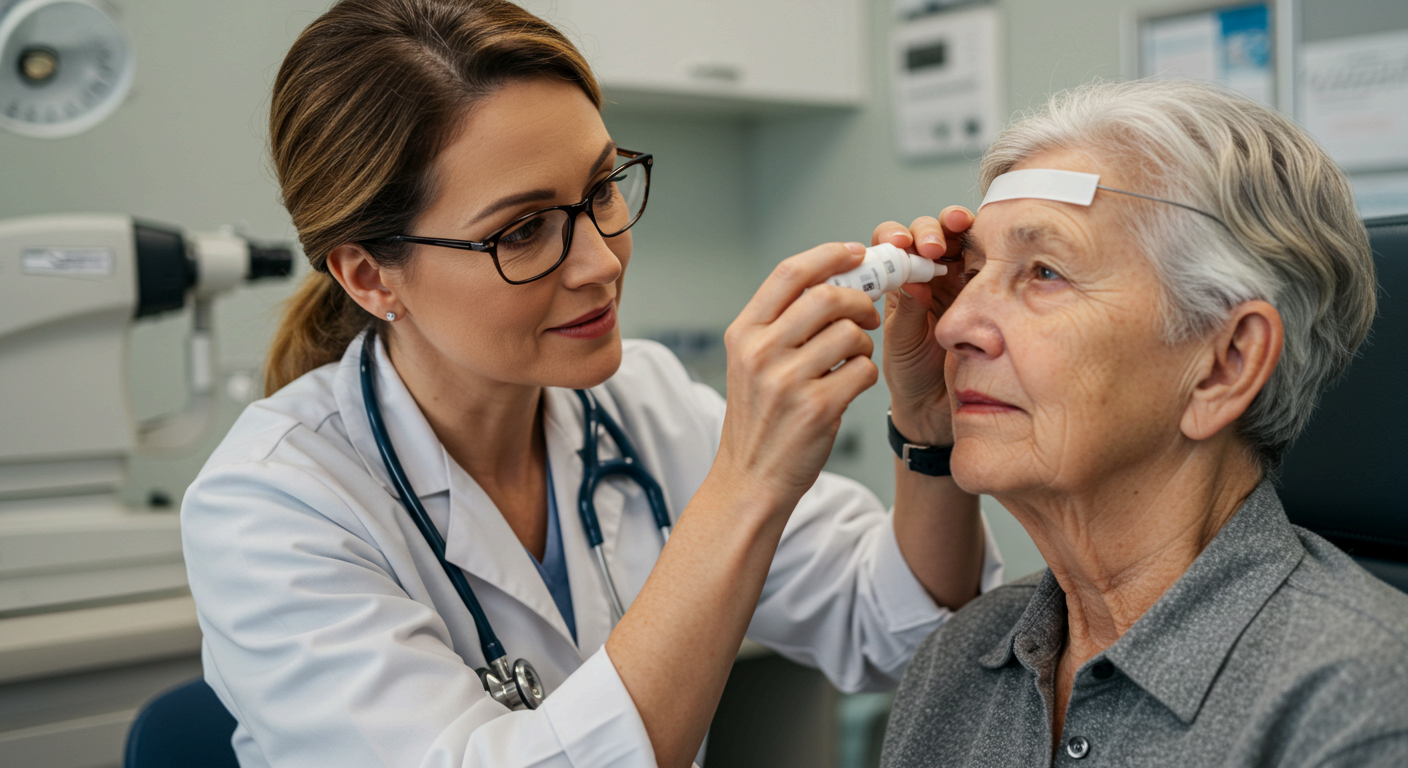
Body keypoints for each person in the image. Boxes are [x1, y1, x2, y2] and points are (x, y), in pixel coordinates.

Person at [179, 2, 1001, 767]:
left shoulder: (638, 403)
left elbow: (893, 628)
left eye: (603, 188)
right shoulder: (273, 506)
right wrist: (746, 481)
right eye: (524, 231)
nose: (603, 262)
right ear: (369, 276)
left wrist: (926, 433)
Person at [876, 79, 1408, 768]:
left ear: (1225, 363)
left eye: (1044, 271)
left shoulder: (1361, 706)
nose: (952, 326)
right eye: (971, 271)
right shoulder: (960, 661)